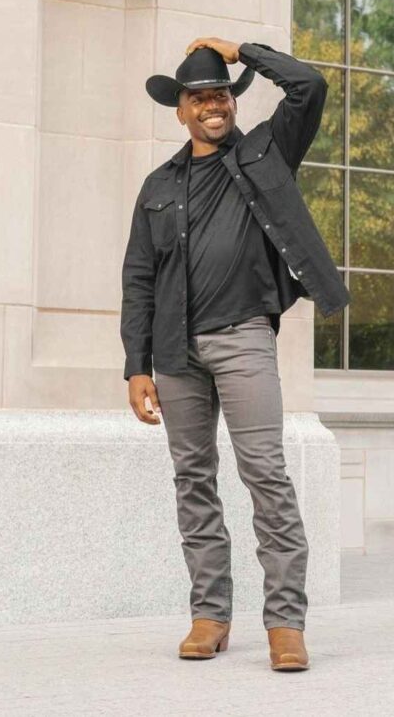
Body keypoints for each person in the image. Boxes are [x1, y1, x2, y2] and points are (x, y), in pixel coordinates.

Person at [120, 36, 350, 671]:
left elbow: (310, 86)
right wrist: (136, 364)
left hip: (244, 336)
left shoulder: (266, 150)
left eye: (220, 94)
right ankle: (210, 616)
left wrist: (242, 50)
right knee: (193, 481)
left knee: (265, 476)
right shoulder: (157, 184)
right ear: (181, 109)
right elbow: (139, 276)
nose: (212, 105)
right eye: (199, 97)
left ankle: (285, 624)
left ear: (231, 100)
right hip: (172, 351)